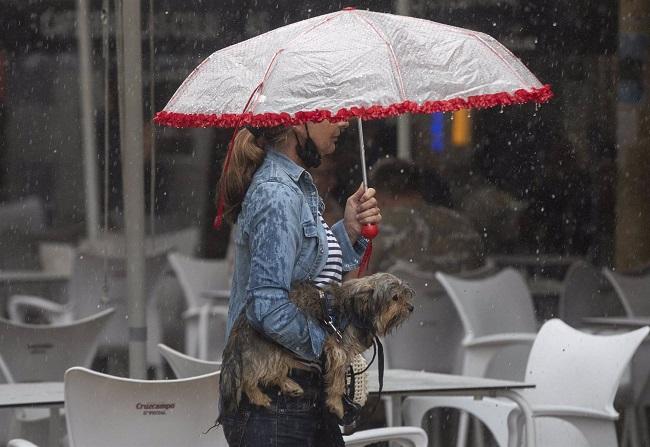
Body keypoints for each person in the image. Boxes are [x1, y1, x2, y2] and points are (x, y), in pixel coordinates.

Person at [217, 120, 381, 447]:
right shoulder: (277, 194)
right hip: (274, 397)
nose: (343, 120)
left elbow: (309, 276)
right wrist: (328, 347)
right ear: (297, 123)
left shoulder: (297, 189)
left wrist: (348, 232)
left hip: (296, 392)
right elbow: (267, 307)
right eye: (330, 111)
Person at [367, 158, 484, 275]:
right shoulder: (462, 224)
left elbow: (356, 282)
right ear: (419, 190)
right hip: (461, 292)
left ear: (379, 196)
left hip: (409, 291)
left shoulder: (384, 225)